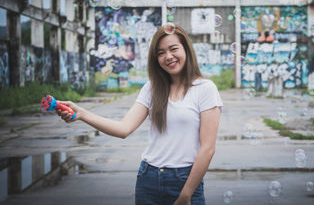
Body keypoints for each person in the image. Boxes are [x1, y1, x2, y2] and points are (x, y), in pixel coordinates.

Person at [55, 24, 223, 205]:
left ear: (186, 50)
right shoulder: (152, 88)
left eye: (174, 49)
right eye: (160, 53)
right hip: (148, 179)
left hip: (186, 180)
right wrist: (81, 113)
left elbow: (207, 149)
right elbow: (123, 129)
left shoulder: (205, 89)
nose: (168, 56)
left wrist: (186, 195)